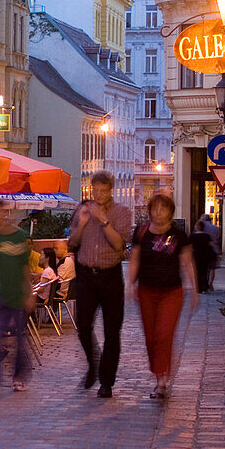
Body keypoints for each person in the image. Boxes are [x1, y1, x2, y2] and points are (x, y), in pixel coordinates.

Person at [126, 194, 199, 399]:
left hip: (171, 292)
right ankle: (159, 372)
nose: (158, 212)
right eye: (155, 208)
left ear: (170, 211)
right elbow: (134, 260)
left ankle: (162, 382)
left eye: (163, 208)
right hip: (146, 291)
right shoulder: (141, 233)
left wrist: (194, 289)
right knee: (151, 337)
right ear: (149, 211)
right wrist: (130, 284)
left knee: (164, 335)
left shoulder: (179, 235)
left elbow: (188, 262)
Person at [67, 170, 131, 398]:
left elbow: (118, 246)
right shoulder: (81, 210)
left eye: (104, 191)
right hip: (86, 276)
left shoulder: (122, 212)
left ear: (111, 190)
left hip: (110, 276)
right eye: (96, 190)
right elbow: (72, 242)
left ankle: (106, 381)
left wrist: (104, 221)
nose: (99, 195)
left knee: (112, 331)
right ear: (90, 188)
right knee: (83, 326)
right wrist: (83, 224)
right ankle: (93, 362)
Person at [0, 204, 33, 398]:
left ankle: (20, 375)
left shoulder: (20, 236)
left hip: (18, 293)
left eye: (0, 212)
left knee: (20, 337)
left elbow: (25, 267)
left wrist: (28, 293)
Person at [189, 221, 214, 293]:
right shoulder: (206, 236)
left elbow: (189, 246)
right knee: (204, 271)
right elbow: (210, 245)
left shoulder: (192, 236)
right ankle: (205, 287)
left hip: (196, 256)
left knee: (197, 272)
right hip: (205, 256)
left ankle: (198, 288)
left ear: (196, 227)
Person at [200, 214, 222, 291]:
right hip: (214, 249)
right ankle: (211, 284)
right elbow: (218, 237)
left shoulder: (201, 227)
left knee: (204, 267)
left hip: (203, 250)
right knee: (212, 268)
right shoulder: (216, 228)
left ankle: (204, 284)